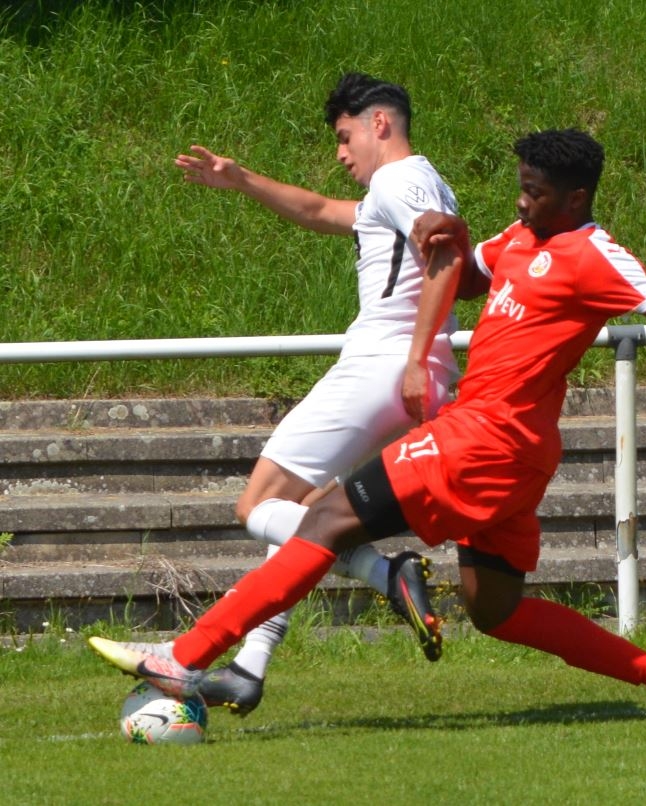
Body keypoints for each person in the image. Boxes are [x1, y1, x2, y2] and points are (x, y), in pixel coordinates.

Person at [91, 128, 646, 716]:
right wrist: (441, 238)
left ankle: (184, 658)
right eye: (521, 188)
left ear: (577, 197)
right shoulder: (519, 240)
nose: (523, 203)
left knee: (325, 521)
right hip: (510, 454)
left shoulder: (595, 253)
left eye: (537, 193)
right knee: (496, 610)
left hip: (483, 440)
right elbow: (463, 272)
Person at [171, 73, 469, 716]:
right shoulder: (402, 189)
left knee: (258, 504)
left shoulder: (400, 179)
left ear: (379, 124)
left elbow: (446, 254)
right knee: (308, 515)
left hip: (383, 367)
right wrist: (243, 179)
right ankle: (250, 668)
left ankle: (388, 575)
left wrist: (416, 360)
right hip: (403, 374)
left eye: (344, 136)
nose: (340, 153)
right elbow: (321, 212)